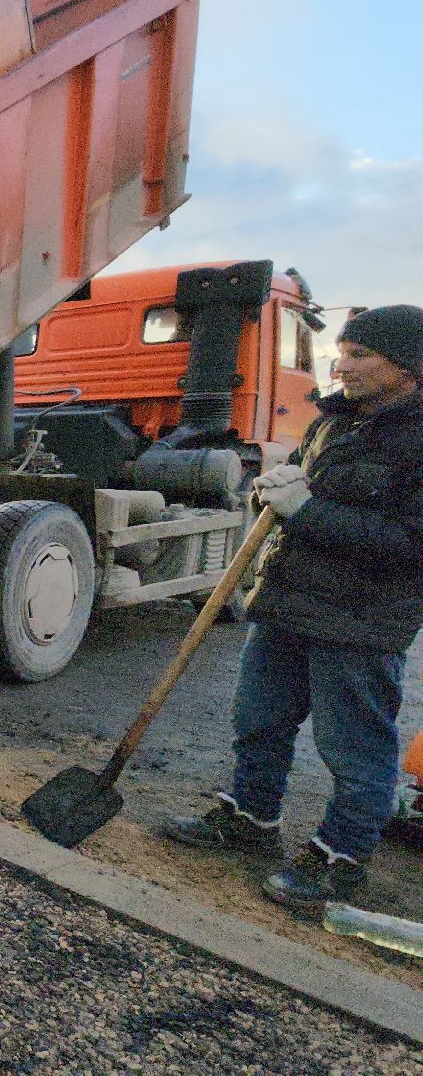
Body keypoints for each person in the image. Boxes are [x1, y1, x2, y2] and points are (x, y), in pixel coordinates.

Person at [163, 304, 423, 907]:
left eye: (360, 355)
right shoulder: (332, 422)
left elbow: (411, 547)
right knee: (259, 722)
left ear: (406, 367)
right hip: (288, 604)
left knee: (355, 748)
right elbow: (304, 504)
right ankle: (251, 819)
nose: (342, 363)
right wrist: (275, 498)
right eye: (343, 350)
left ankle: (343, 855)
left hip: (360, 621)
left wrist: (307, 509)